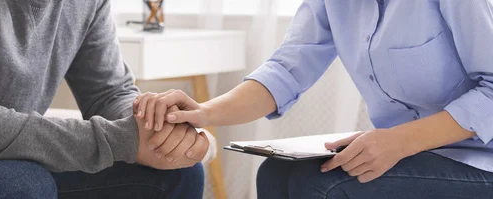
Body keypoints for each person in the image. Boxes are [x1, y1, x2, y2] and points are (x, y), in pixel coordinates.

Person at [134, 0, 493, 198]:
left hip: (480, 162)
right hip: (410, 155)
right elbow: (285, 70)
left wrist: (398, 141)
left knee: (323, 185)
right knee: (276, 173)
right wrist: (203, 113)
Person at [0, 0, 209, 198]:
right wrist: (125, 140)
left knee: (178, 172)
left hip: (9, 160)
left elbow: (109, 93)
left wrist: (157, 126)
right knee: (18, 184)